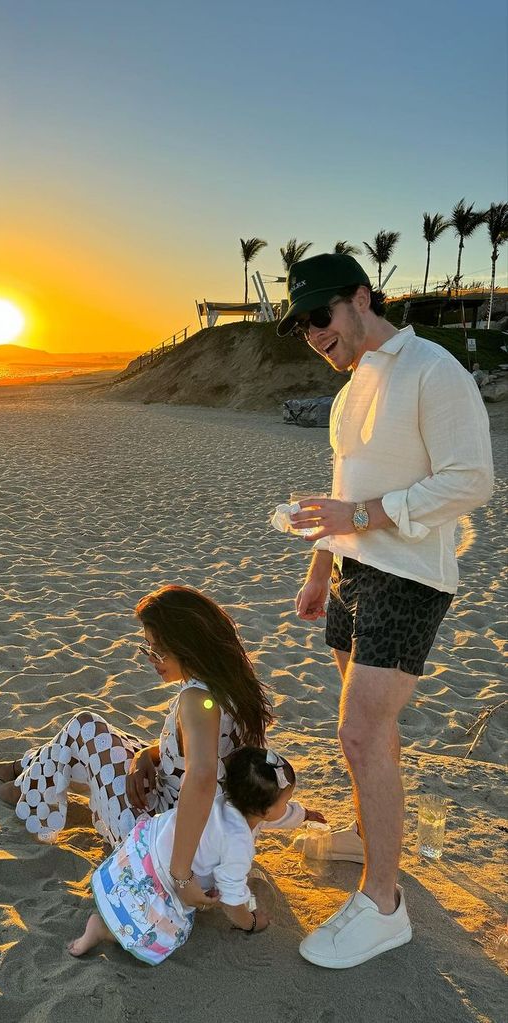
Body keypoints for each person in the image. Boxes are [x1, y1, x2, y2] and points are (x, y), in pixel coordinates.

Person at [276, 253, 494, 969]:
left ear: (361, 298)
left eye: (319, 316)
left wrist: (363, 515)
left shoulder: (431, 368)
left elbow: (470, 481)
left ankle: (382, 903)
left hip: (409, 575)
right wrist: (319, 566)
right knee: (371, 736)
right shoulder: (347, 393)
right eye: (301, 324)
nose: (311, 334)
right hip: (352, 571)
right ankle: (375, 840)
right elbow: (344, 488)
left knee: (360, 730)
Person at [0, 584, 273, 911]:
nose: (151, 659)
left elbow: (201, 777)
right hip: (219, 845)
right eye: (147, 647)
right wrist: (148, 755)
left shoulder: (197, 700)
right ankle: (26, 769)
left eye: (158, 651)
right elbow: (208, 755)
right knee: (109, 743)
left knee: (84, 726)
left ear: (189, 648)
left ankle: (23, 784)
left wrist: (181, 877)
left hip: (161, 845)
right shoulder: (233, 687)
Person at [67, 747, 325, 964]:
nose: (288, 806)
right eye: (286, 801)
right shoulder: (238, 844)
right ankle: (102, 929)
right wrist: (250, 921)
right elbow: (232, 897)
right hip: (164, 880)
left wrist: (302, 814)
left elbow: (274, 816)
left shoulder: (225, 800)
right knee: (166, 929)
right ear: (266, 810)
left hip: (147, 849)